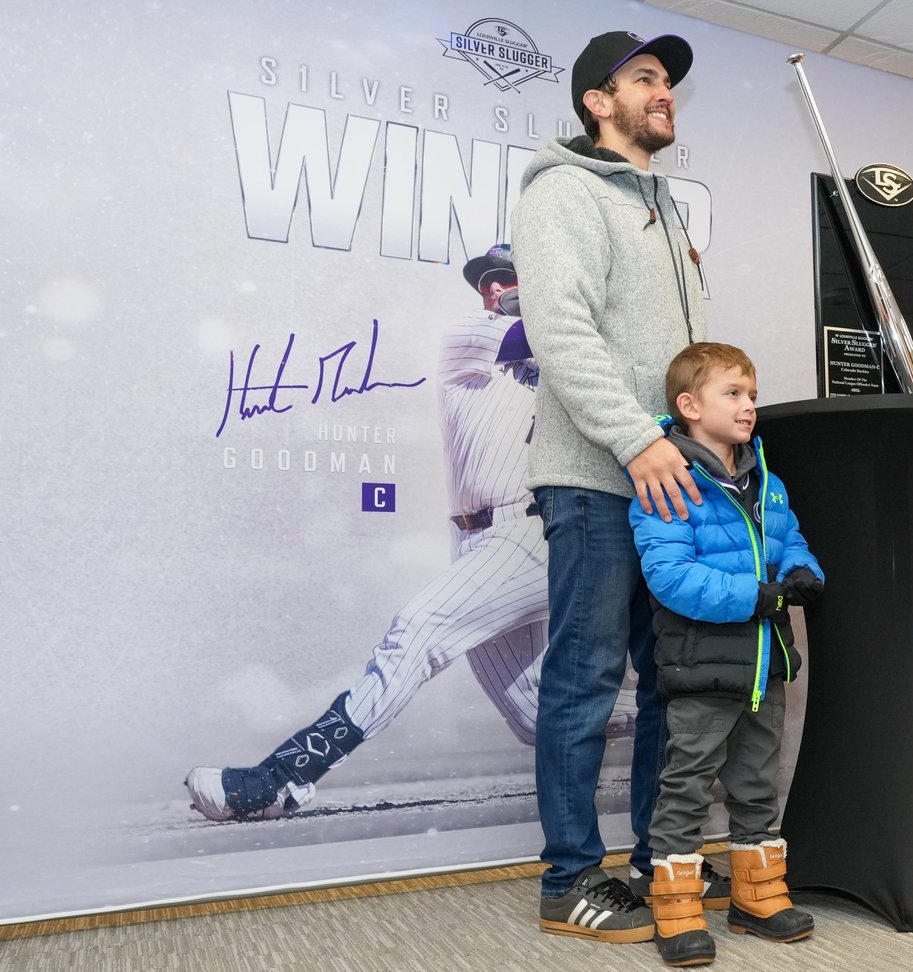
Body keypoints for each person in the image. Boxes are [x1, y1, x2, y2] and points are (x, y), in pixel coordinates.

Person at [184, 246, 636, 822]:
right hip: (479, 537)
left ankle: (283, 777)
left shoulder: (572, 353)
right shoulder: (471, 332)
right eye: (489, 280)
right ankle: (693, 710)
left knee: (418, 631)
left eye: (509, 278)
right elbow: (540, 333)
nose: (494, 288)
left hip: (534, 529)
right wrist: (554, 296)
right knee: (535, 714)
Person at [510, 31, 717, 944]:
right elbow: (559, 332)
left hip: (668, 481)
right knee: (585, 681)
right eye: (644, 79)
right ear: (598, 102)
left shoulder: (663, 210)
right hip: (596, 478)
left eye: (667, 81)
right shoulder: (563, 194)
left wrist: (699, 443)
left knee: (668, 681)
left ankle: (655, 858)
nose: (663, 92)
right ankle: (567, 880)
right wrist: (638, 439)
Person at [629, 342, 825, 966]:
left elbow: (789, 537)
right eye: (733, 394)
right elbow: (670, 578)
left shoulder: (767, 479)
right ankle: (676, 907)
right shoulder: (668, 481)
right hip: (702, 665)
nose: (748, 408)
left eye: (752, 396)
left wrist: (801, 570)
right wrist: (759, 596)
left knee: (756, 783)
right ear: (689, 406)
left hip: (765, 666)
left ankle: (756, 897)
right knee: (686, 785)